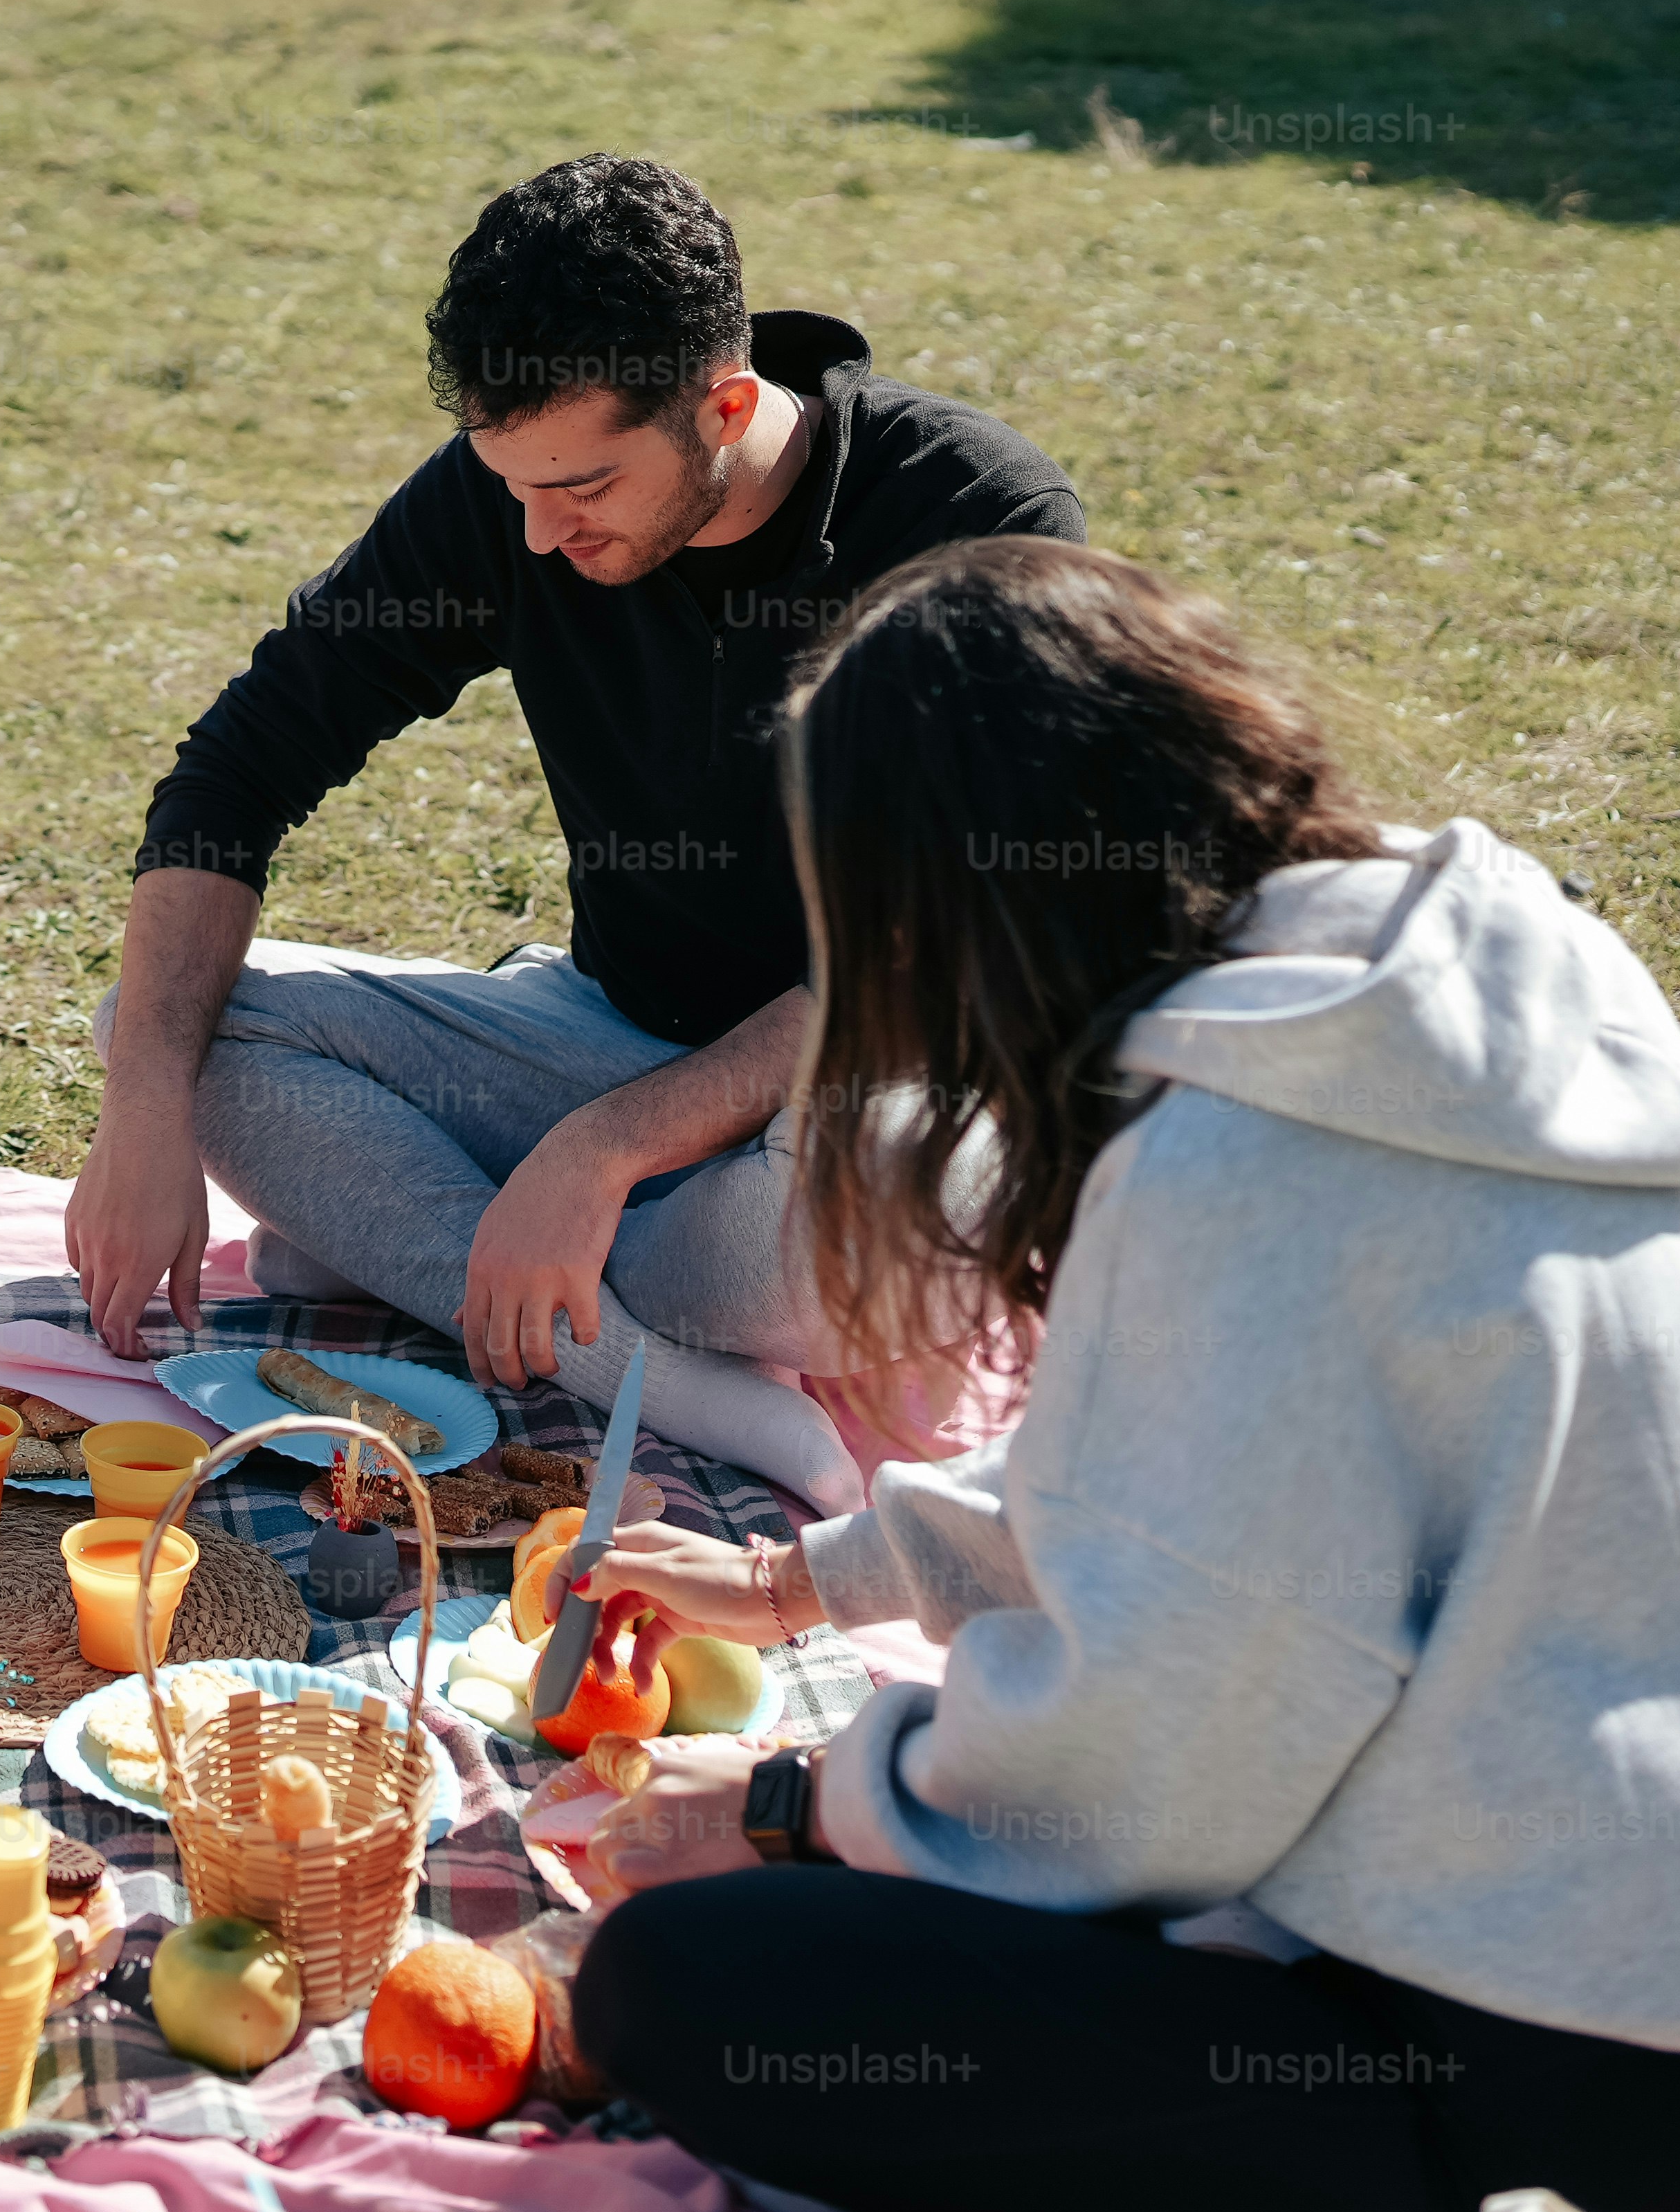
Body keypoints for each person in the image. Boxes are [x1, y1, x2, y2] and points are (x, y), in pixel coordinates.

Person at [561, 540, 1680, 2212]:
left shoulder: (1244, 1159)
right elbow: (1219, 1503)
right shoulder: (1407, 1009)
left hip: (1548, 2166)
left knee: (683, 1986)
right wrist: (812, 1580)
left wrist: (787, 1815)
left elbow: (1151, 1755)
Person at [66, 154, 1080, 1483]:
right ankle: (646, 1366)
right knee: (171, 1029)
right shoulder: (516, 494)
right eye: (513, 486)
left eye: (585, 489)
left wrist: (603, 1152)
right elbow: (241, 765)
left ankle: (439, 1236)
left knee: (906, 1225)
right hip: (606, 1031)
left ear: (724, 406)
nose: (540, 537)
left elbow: (935, 955)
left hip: (872, 1082)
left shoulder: (978, 517)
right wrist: (141, 1109)